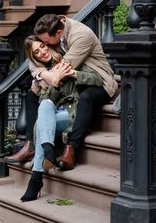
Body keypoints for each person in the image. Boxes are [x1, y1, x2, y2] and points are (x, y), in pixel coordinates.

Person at [6, 13, 118, 169]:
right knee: (33, 94)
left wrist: (47, 78)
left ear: (58, 33)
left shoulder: (81, 35)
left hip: (99, 82)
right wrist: (42, 74)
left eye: (45, 42)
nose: (45, 46)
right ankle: (31, 143)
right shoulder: (55, 32)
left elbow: (62, 69)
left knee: (85, 98)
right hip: (72, 83)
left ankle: (71, 148)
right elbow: (32, 61)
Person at [20, 35, 103, 202]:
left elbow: (98, 79)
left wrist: (73, 74)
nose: (42, 51)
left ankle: (36, 178)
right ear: (35, 57)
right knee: (44, 106)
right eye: (37, 52)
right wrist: (53, 80)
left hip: (74, 113)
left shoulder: (70, 59)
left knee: (40, 127)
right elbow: (46, 101)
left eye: (42, 46)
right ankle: (48, 150)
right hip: (55, 114)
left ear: (48, 44)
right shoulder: (44, 75)